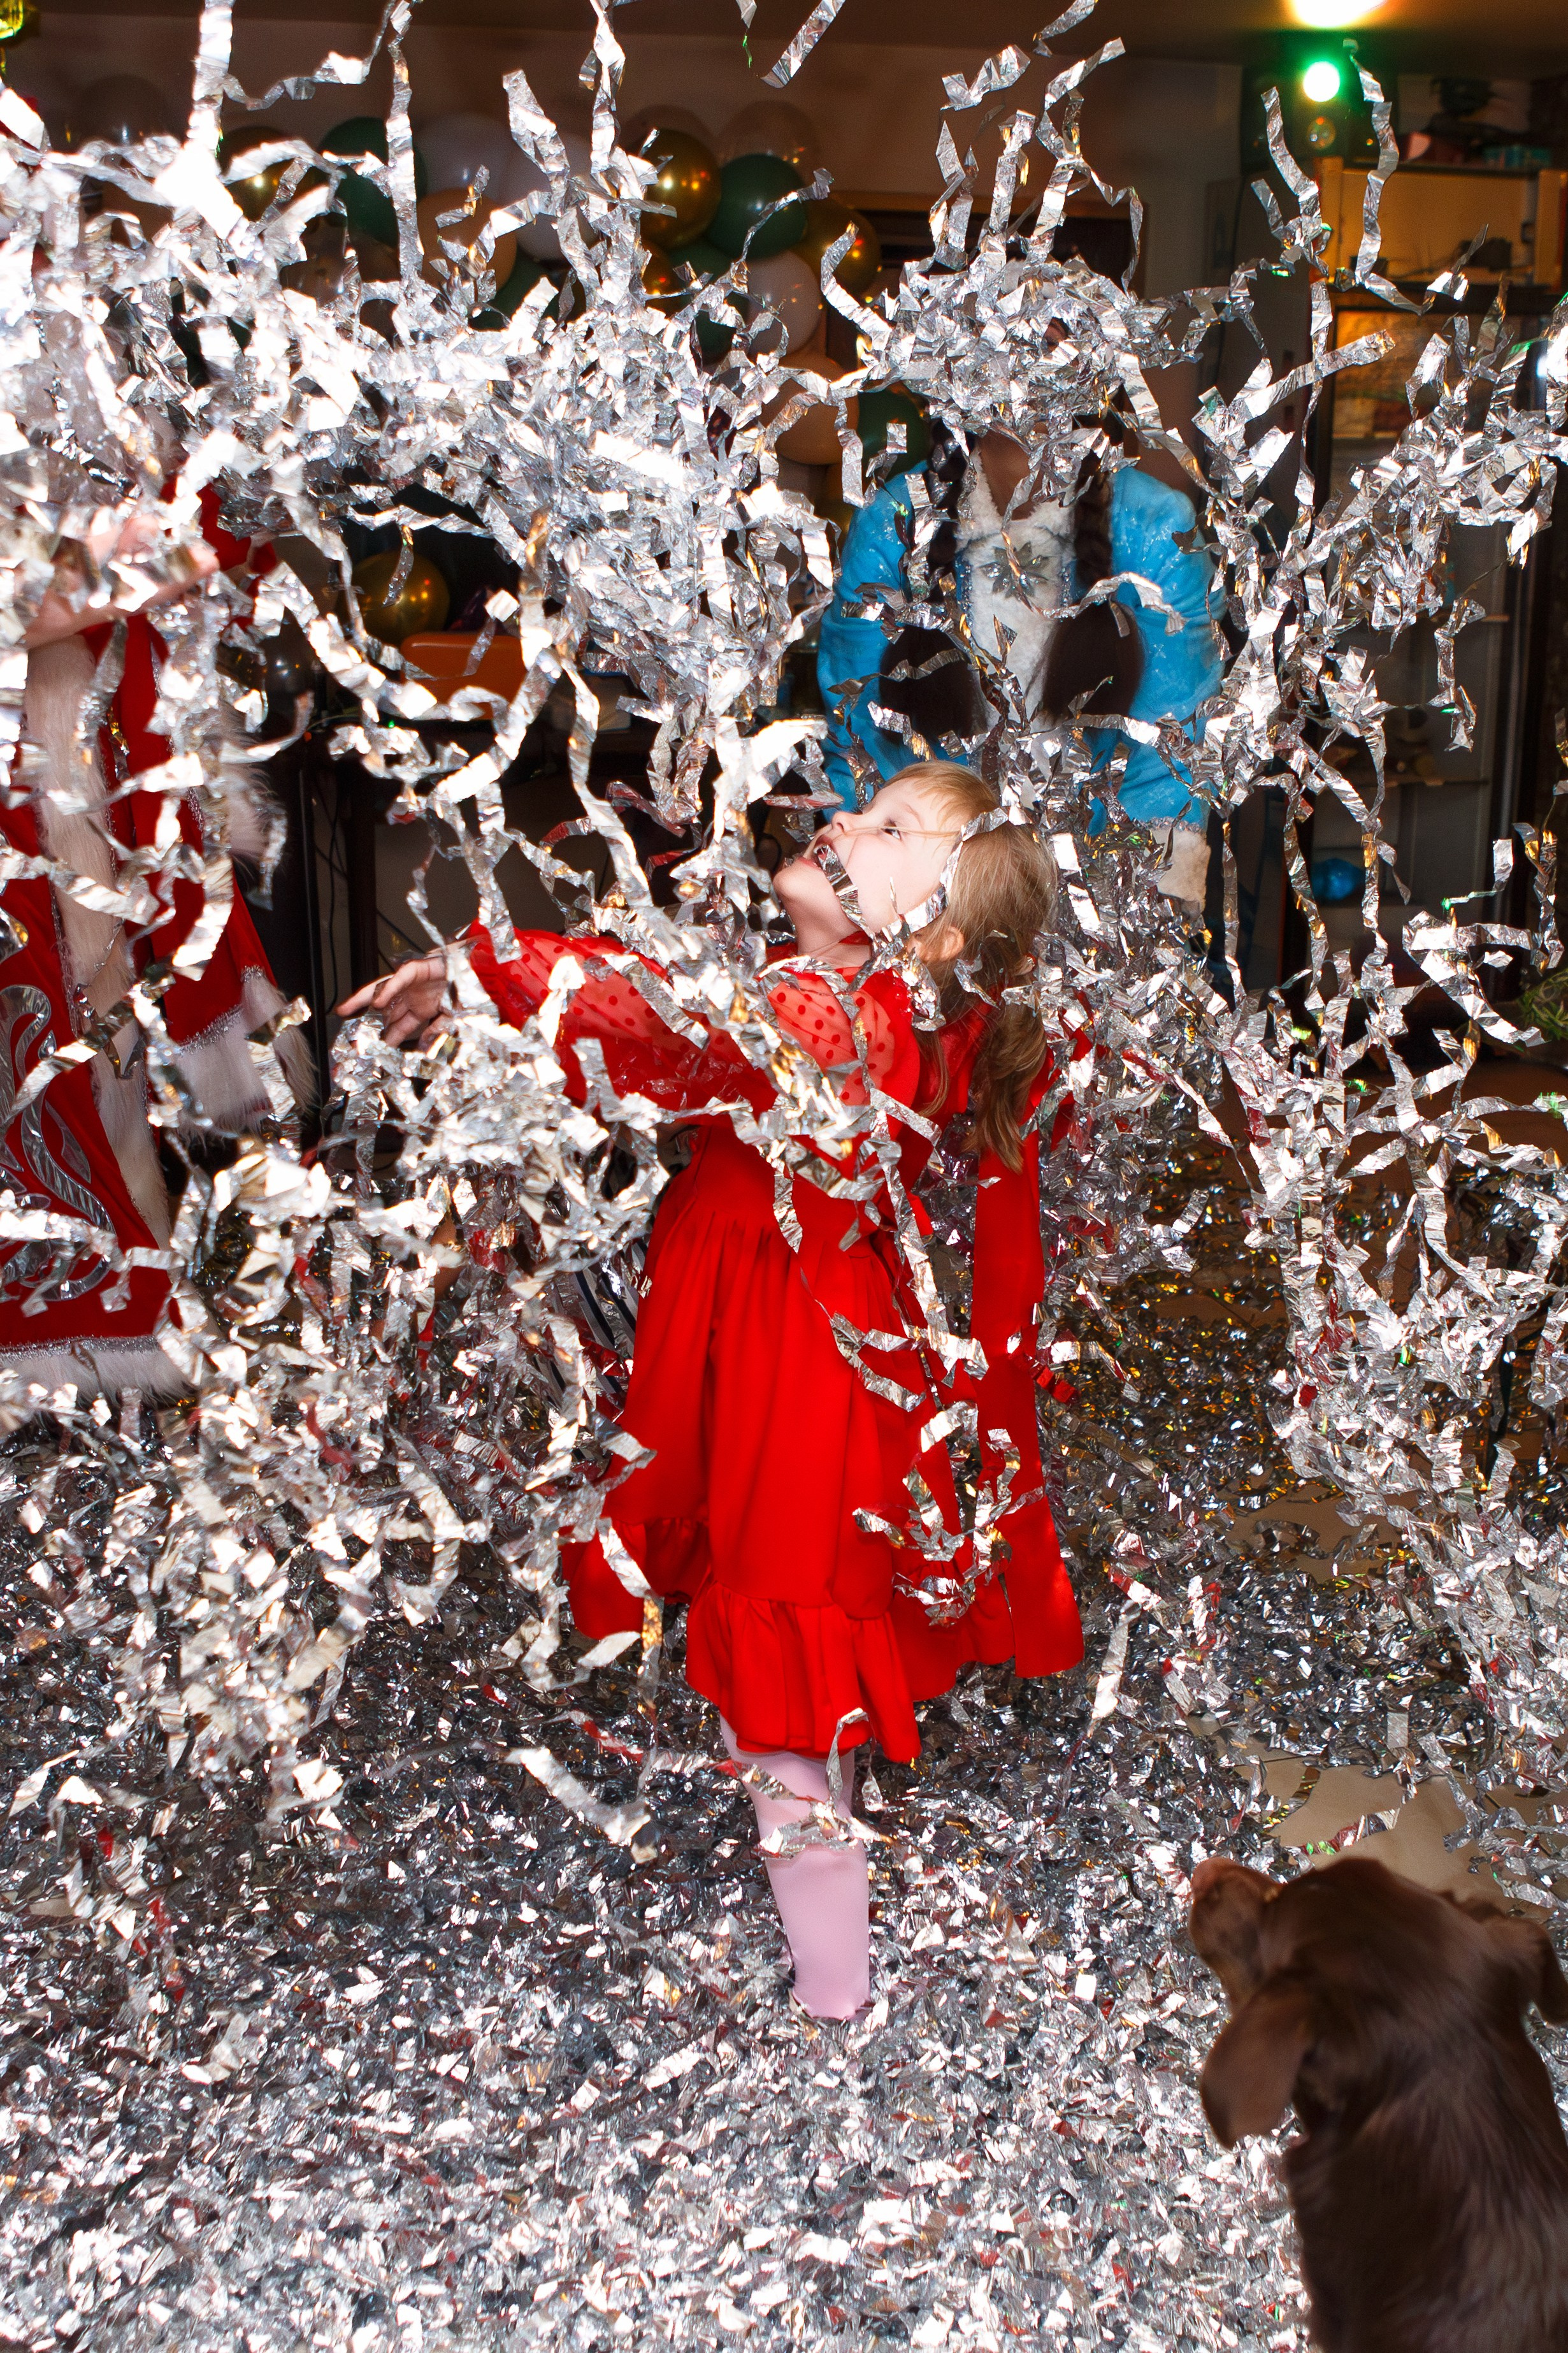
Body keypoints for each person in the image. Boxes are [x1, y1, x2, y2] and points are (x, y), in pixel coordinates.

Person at [341, 761, 1083, 2020]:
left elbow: (672, 1016)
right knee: (788, 1650)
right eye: (863, 804)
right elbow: (673, 1038)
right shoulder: (843, 997)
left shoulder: (847, 1021)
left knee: (778, 1695)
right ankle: (830, 1854)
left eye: (889, 829)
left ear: (936, 934)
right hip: (766, 1348)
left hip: (799, 1374)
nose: (842, 821)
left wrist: (494, 969)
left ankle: (835, 1996)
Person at [0, 488, 307, 1394]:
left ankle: (98, 1388)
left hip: (78, 783)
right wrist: (108, 566)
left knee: (97, 1079)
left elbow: (228, 532)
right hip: (41, 787)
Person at [817, 417, 1225, 906]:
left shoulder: (1156, 527)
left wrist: (1132, 914)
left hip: (1098, 894)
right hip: (926, 890)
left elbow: (1171, 751)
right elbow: (859, 733)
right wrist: (891, 900)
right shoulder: (892, 521)